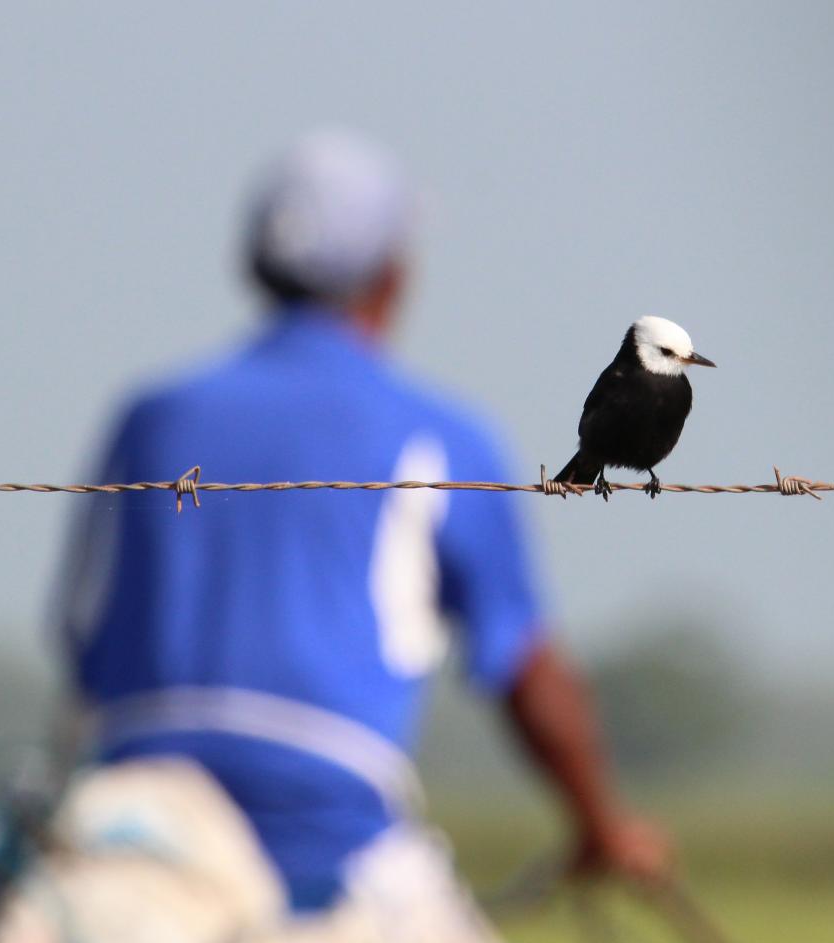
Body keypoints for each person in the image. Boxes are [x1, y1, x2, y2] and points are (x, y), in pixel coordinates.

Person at [51, 129, 670, 941]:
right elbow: (525, 667)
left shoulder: (151, 420)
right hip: (331, 838)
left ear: (255, 267)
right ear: (392, 276)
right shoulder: (437, 435)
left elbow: (80, 635)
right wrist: (603, 824)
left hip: (137, 833)